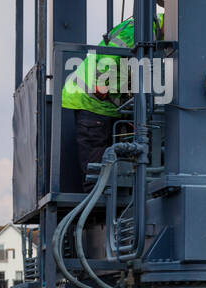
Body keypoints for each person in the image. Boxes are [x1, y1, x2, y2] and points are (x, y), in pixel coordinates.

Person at [59, 13, 164, 177]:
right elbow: (112, 51)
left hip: (107, 108)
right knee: (95, 172)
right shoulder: (141, 29)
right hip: (92, 103)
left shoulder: (150, 29)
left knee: (107, 167)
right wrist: (102, 81)